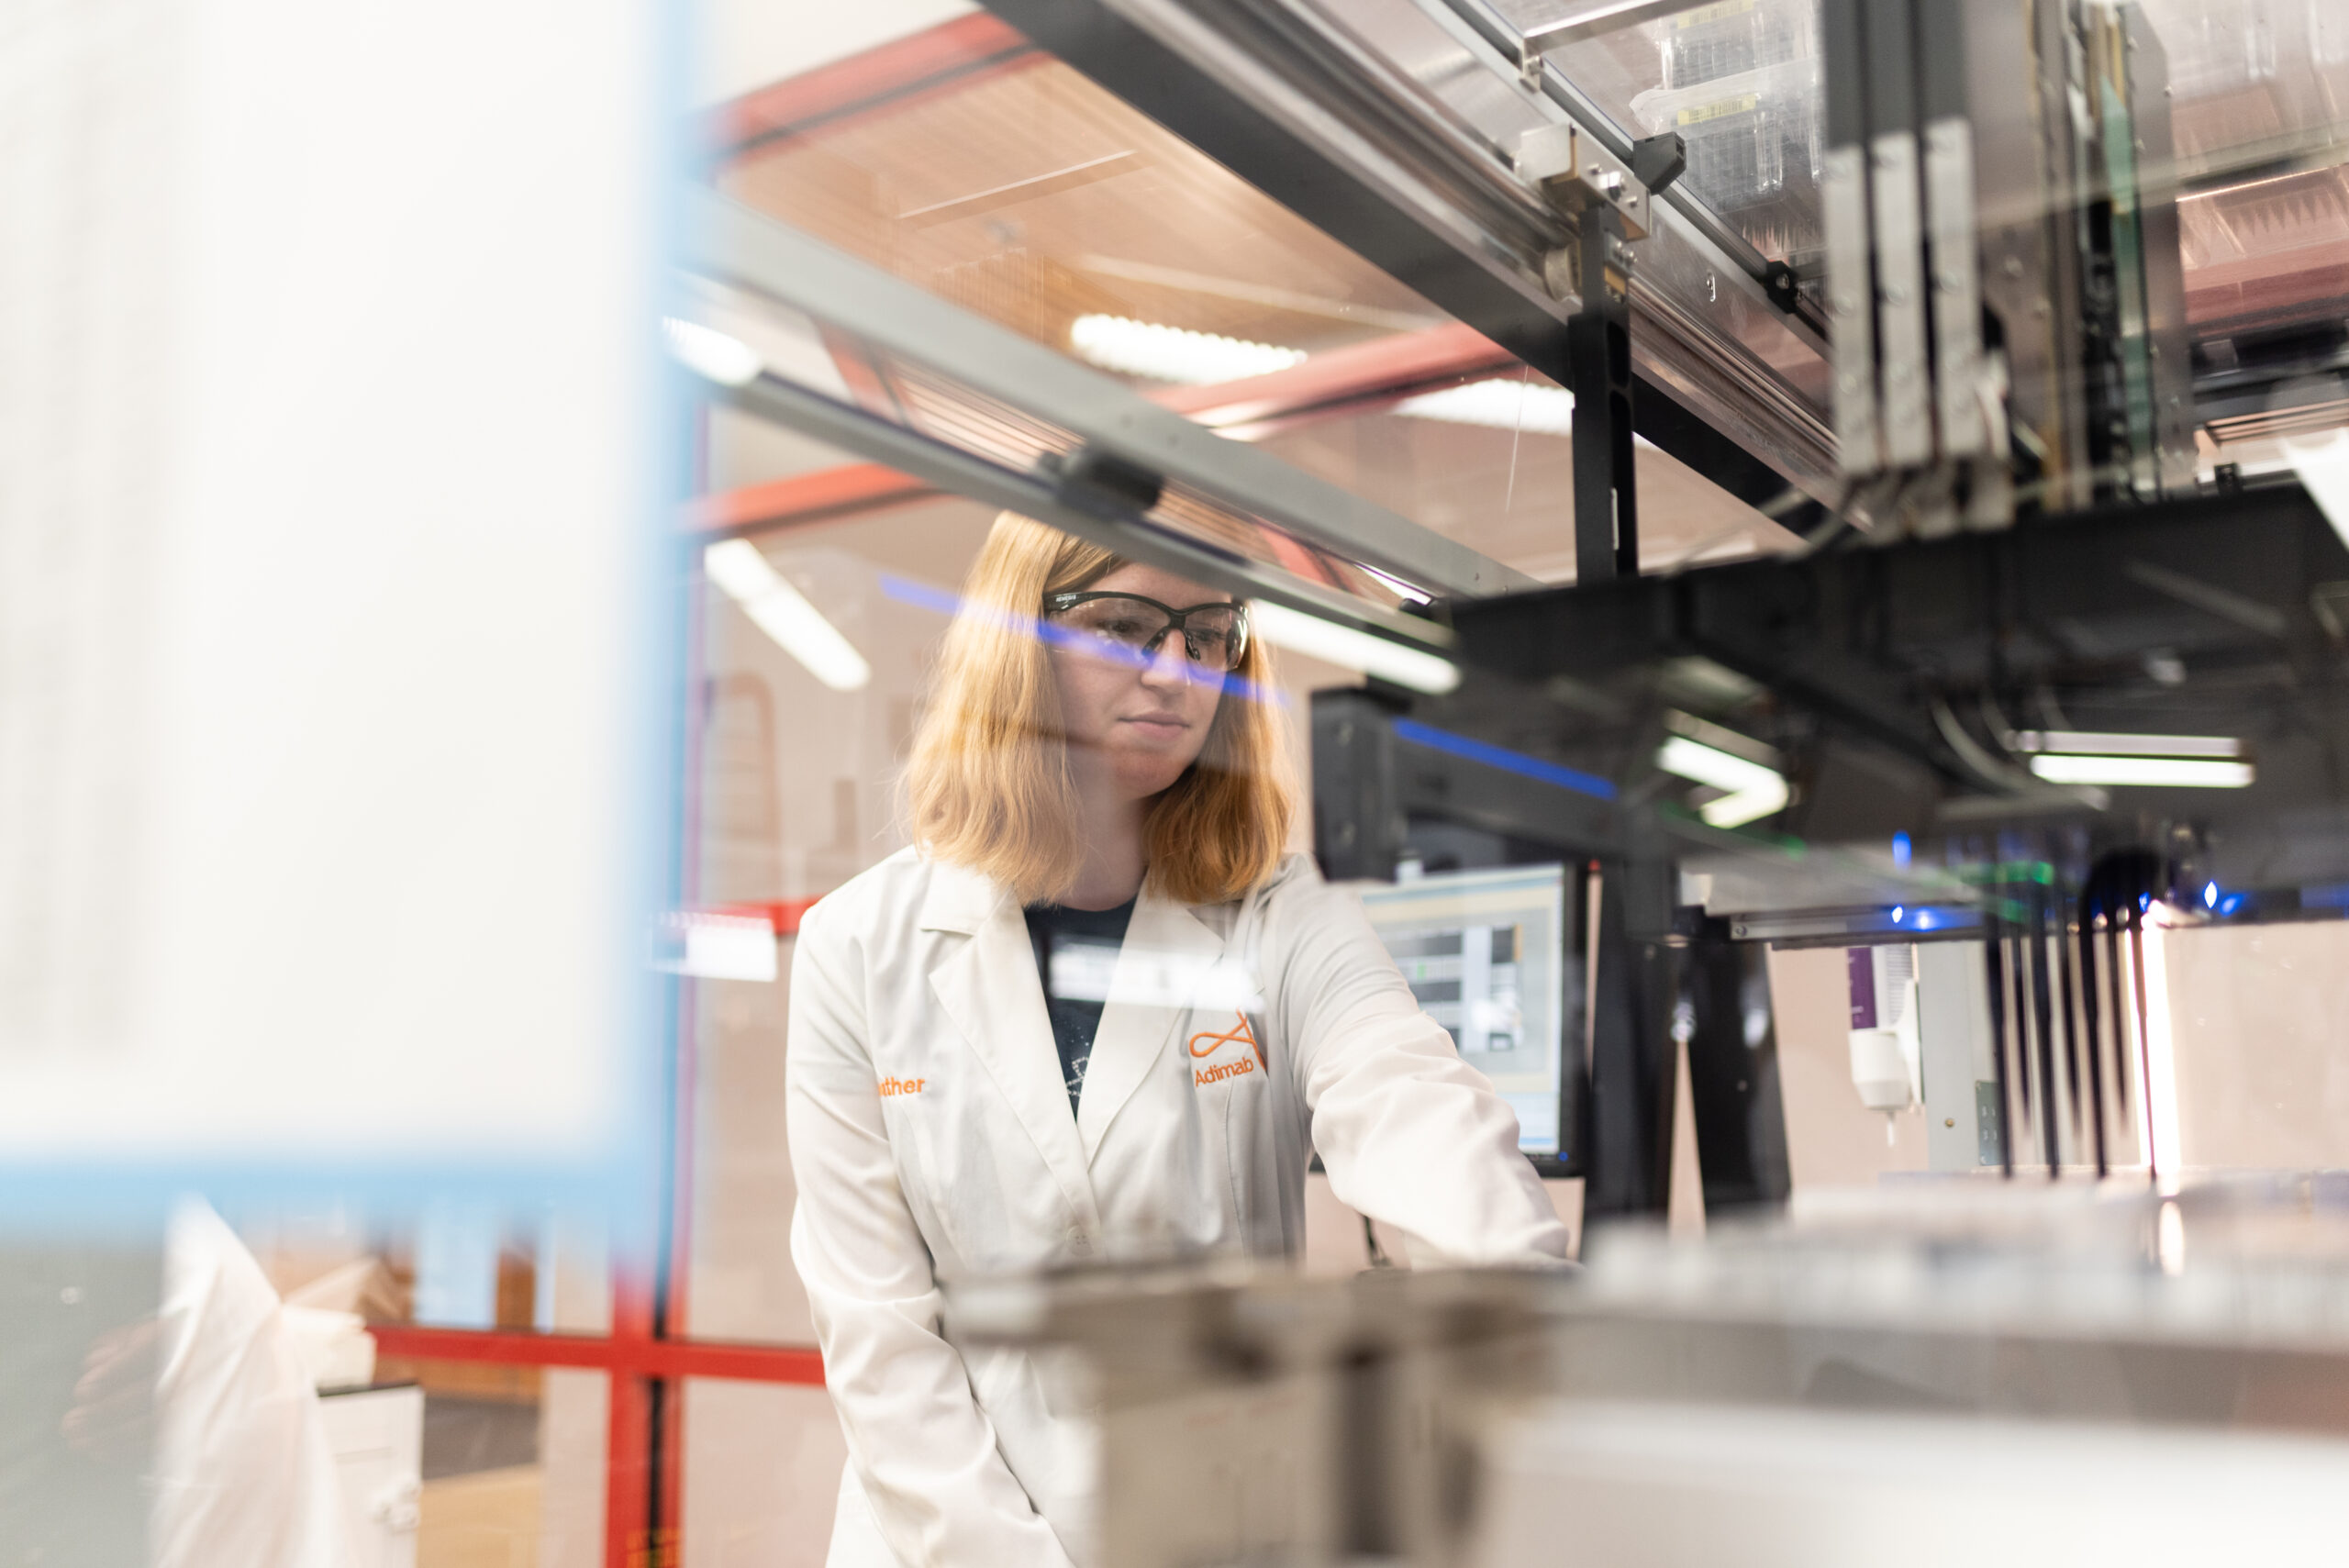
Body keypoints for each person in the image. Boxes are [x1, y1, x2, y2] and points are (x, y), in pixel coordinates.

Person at [786, 513, 1573, 1568]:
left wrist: (1539, 1340)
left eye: (1208, 635)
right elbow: (880, 1334)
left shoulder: (1285, 915)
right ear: (1017, 641)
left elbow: (1415, 1108)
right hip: (940, 1538)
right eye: (1123, 626)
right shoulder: (860, 942)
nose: (1175, 671)